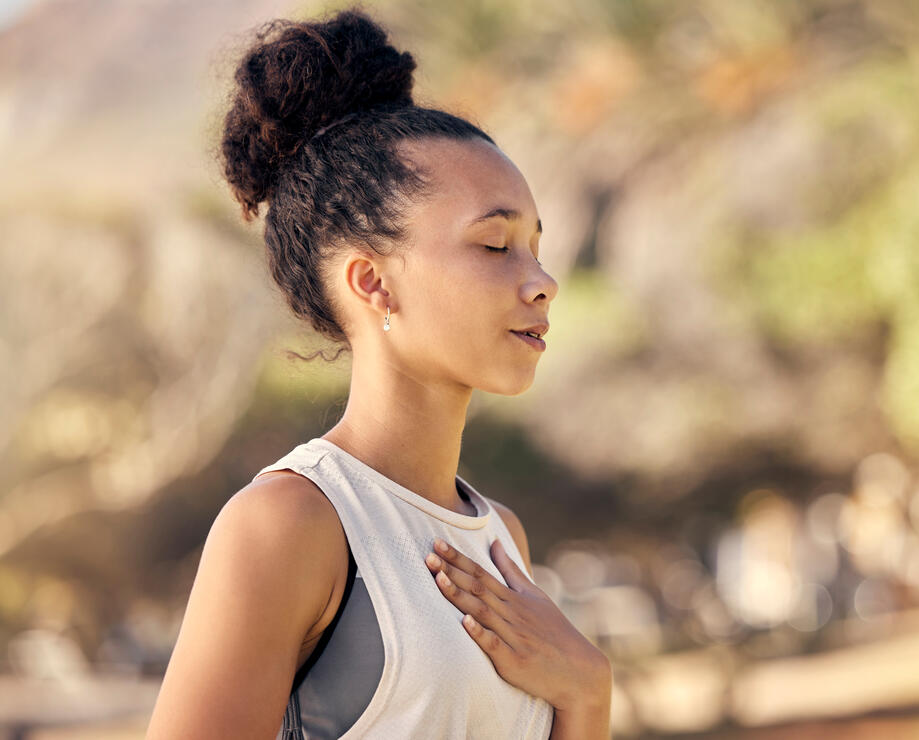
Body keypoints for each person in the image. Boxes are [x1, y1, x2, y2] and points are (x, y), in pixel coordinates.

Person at [145, 7, 612, 739]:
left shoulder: (500, 540)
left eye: (534, 246)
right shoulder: (290, 526)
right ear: (373, 283)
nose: (542, 280)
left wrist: (587, 695)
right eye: (495, 246)